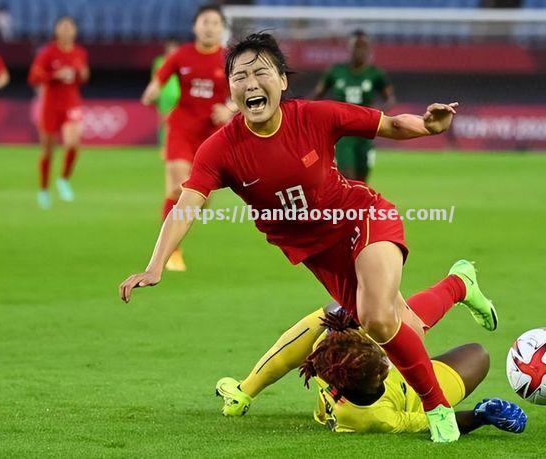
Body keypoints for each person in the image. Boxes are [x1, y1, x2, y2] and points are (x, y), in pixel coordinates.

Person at [119, 32, 497, 443]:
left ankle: (438, 408)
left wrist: (427, 126)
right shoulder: (220, 149)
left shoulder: (314, 116)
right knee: (401, 327)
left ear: (281, 81)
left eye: (260, 72)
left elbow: (387, 124)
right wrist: (155, 265)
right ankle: (460, 283)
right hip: (322, 256)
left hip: (363, 218)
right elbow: (186, 204)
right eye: (239, 76)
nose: (250, 83)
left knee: (377, 317)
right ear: (230, 90)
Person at [220, 307, 525, 435]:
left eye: (380, 359)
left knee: (338, 310)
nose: (385, 365)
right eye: (381, 370)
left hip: (356, 359)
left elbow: (317, 333)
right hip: (416, 396)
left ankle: (243, 392)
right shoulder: (373, 417)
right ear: (364, 384)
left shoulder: (331, 360)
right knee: (478, 354)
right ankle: (457, 285)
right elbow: (433, 423)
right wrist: (481, 415)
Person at [140, 4, 234, 272]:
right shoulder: (181, 55)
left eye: (215, 23)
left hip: (211, 137)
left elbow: (241, 96)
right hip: (181, 129)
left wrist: (229, 109)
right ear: (195, 26)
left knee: (200, 200)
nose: (210, 27)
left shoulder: (228, 60)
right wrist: (151, 92)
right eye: (205, 22)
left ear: (221, 29)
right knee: (178, 189)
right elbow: (158, 80)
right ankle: (172, 251)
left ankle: (181, 226)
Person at [312, 30, 395, 182]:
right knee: (347, 176)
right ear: (350, 48)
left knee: (362, 180)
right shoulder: (336, 71)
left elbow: (389, 99)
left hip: (366, 131)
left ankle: (359, 205)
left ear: (369, 50)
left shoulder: (376, 74)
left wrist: (376, 113)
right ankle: (346, 205)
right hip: (342, 132)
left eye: (364, 47)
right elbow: (317, 95)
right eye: (357, 47)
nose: (360, 51)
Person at [28, 16, 89, 210]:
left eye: (69, 27)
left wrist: (81, 73)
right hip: (50, 106)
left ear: (74, 31)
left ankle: (63, 179)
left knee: (73, 142)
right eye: (62, 27)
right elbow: (33, 77)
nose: (66, 30)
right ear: (56, 30)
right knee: (47, 150)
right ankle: (44, 189)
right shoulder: (48, 53)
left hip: (71, 103)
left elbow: (83, 78)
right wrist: (55, 75)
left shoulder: (79, 52)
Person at [151, 38, 180, 157]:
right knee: (164, 122)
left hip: (179, 95)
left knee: (177, 123)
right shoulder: (159, 61)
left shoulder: (181, 61)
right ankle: (163, 147)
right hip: (164, 95)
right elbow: (155, 79)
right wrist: (154, 94)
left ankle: (174, 147)